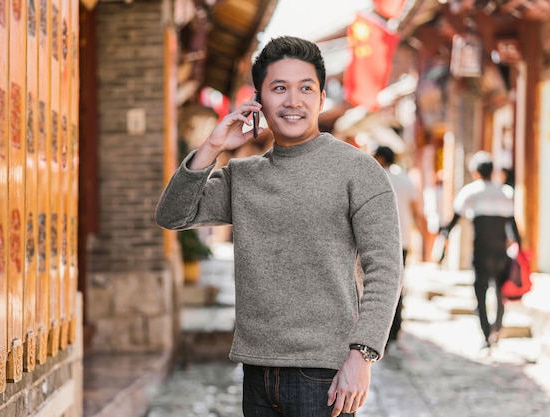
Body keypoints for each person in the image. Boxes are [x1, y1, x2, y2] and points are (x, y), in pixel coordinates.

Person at [156, 36, 402, 417]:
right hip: (256, 370)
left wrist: (362, 355)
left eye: (306, 88)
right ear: (258, 100)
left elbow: (385, 269)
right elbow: (172, 215)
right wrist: (212, 147)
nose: (293, 101)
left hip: (324, 374)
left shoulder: (359, 171)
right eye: (279, 88)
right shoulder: (243, 176)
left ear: (321, 98)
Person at [440, 151, 521, 348]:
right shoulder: (505, 193)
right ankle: (497, 329)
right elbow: (513, 226)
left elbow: (453, 221)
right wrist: (520, 249)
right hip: (501, 252)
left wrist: (443, 243)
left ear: (475, 171)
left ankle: (486, 334)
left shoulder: (470, 192)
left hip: (481, 252)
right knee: (499, 292)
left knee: (481, 292)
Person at [373, 145, 426, 347]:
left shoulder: (373, 177)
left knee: (378, 286)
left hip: (377, 240)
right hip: (402, 240)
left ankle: (382, 333)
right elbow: (416, 210)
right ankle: (395, 330)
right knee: (397, 285)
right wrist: (422, 237)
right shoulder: (405, 179)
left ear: (379, 158)